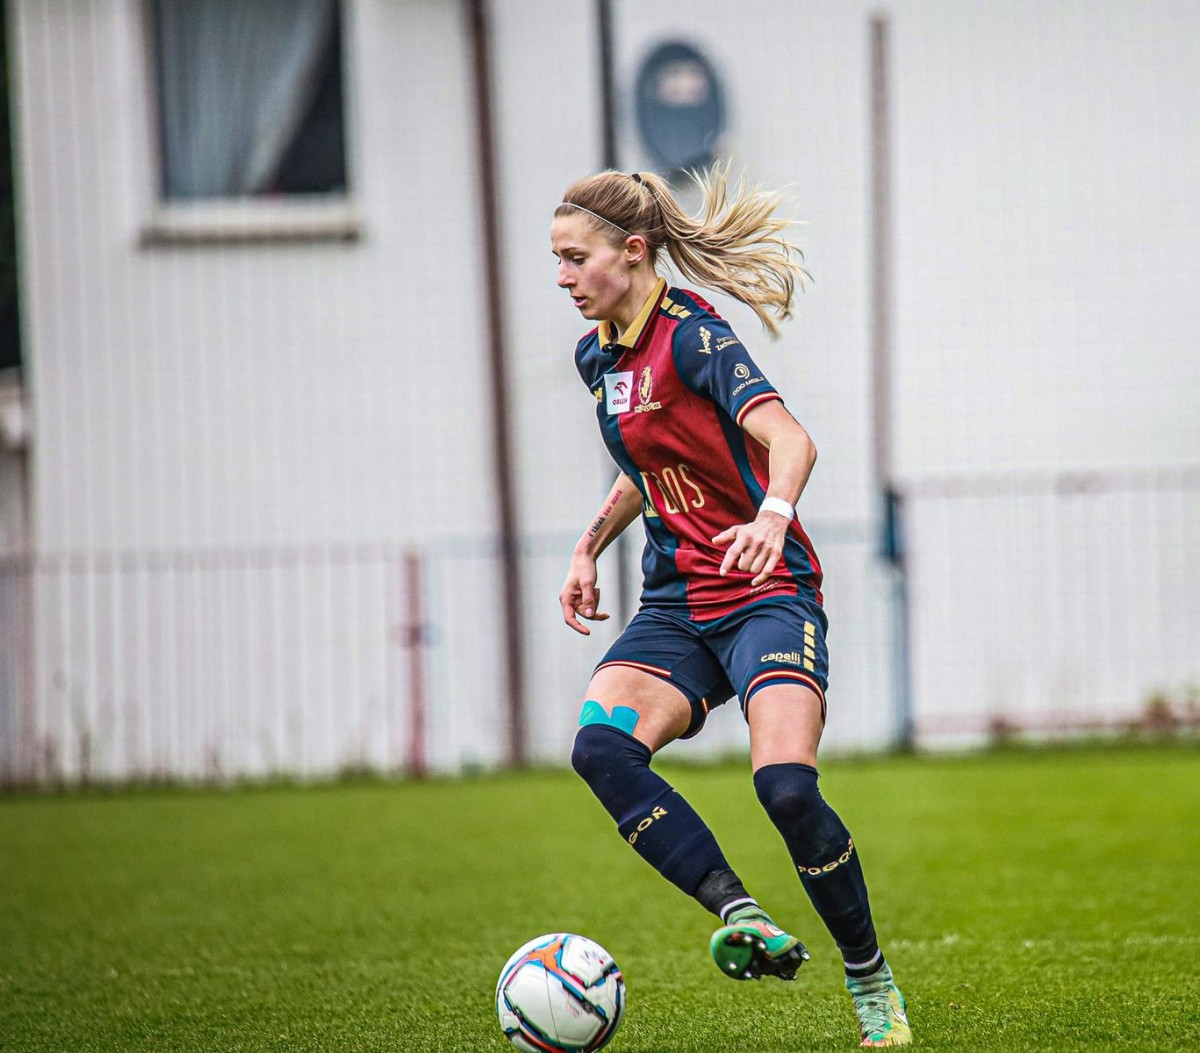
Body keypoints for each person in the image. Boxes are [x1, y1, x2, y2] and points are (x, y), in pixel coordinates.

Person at [552, 167, 912, 1049]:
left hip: (765, 595)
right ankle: (740, 911)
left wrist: (772, 515)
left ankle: (871, 979)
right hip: (678, 600)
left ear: (632, 252)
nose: (562, 277)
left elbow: (791, 437)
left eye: (575, 258)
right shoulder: (599, 355)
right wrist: (587, 547)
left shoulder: (694, 337)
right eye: (556, 260)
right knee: (600, 747)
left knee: (785, 787)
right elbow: (646, 469)